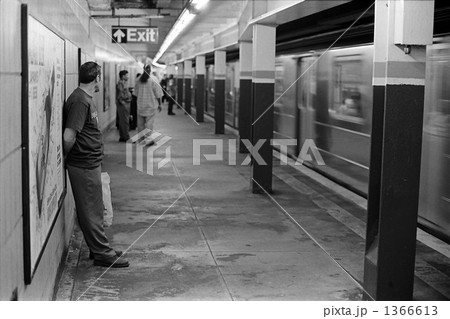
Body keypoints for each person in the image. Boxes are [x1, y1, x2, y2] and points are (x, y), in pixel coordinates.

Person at [63, 61, 129, 268]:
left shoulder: (85, 99)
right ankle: (102, 253)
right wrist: (69, 156)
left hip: (89, 162)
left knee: (94, 208)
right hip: (83, 163)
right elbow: (68, 136)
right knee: (91, 209)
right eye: (101, 77)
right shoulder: (80, 101)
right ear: (97, 78)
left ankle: (98, 247)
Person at [134, 64, 163, 146]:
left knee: (140, 124)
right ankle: (148, 140)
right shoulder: (154, 79)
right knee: (149, 124)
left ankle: (141, 139)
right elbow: (158, 93)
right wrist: (160, 104)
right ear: (150, 70)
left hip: (140, 106)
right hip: (150, 106)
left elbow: (135, 93)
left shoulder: (138, 79)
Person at [116, 70, 132, 142]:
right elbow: (120, 94)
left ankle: (122, 136)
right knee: (125, 120)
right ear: (123, 76)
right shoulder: (121, 83)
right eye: (127, 75)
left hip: (124, 103)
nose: (128, 76)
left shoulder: (123, 83)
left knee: (123, 120)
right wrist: (123, 101)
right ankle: (126, 137)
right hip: (123, 104)